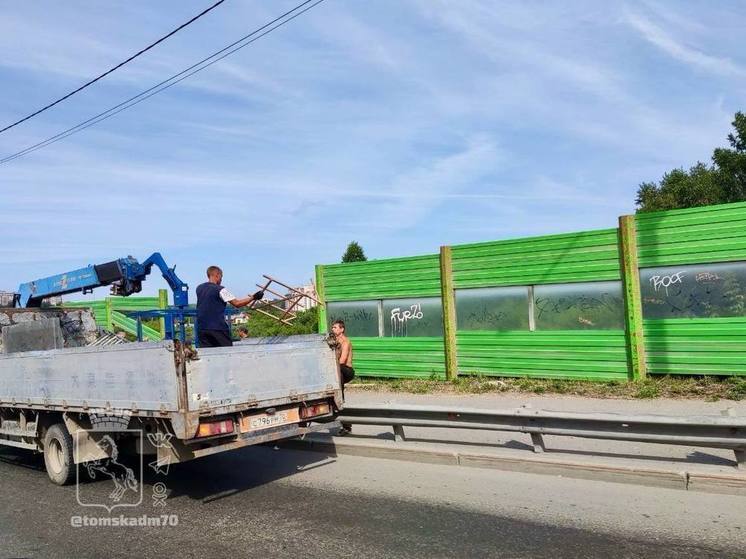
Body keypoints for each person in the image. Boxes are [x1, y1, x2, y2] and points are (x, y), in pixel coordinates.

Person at [196, 266, 263, 348]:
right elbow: (237, 303)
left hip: (202, 329)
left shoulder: (199, 288)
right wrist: (254, 297)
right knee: (227, 354)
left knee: (208, 355)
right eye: (221, 277)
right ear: (218, 275)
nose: (221, 280)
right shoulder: (220, 289)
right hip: (218, 329)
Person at [331, 319, 355, 435]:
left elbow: (342, 360)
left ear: (342, 329)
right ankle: (346, 425)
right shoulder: (333, 341)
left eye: (335, 327)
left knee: (338, 371)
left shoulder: (346, 341)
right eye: (333, 327)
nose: (333, 329)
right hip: (337, 370)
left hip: (347, 370)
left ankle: (340, 397)